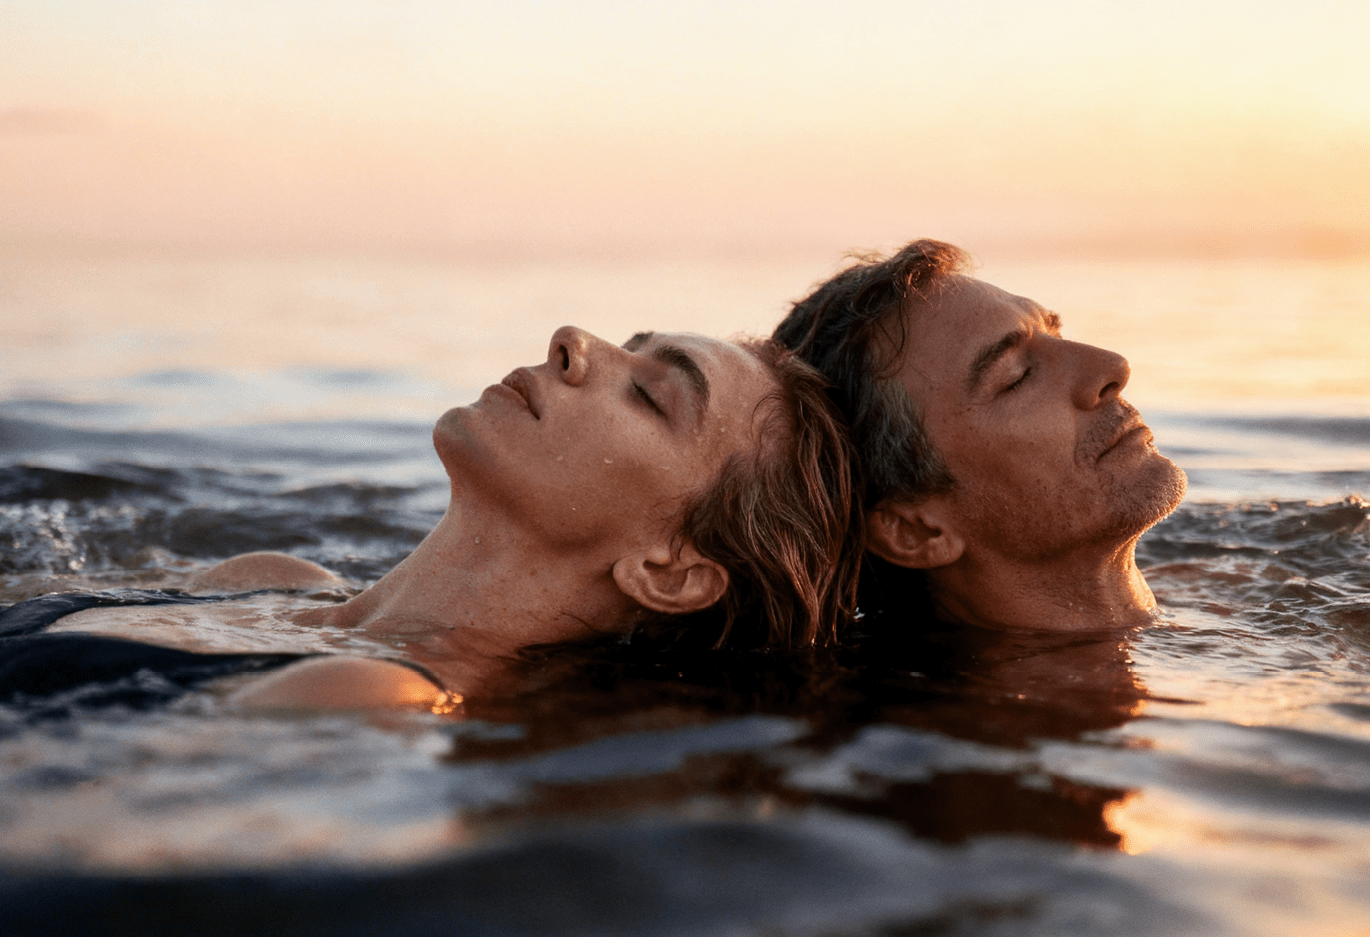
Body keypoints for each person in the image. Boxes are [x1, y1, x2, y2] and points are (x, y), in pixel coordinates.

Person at [1, 327, 858, 713]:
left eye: (650, 395)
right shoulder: (265, 581)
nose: (573, 341)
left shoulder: (369, 695)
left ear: (668, 570)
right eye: (628, 345)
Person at [774, 241, 1186, 632]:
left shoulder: (1203, 585)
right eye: (1017, 377)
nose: (1111, 366)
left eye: (1055, 336)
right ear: (914, 530)